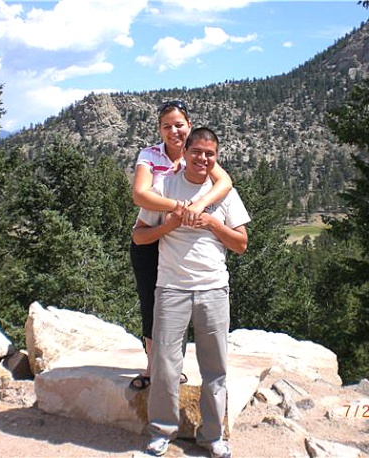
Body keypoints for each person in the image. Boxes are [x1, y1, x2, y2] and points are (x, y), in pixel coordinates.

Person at [133, 127, 249, 458]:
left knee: (216, 367)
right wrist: (168, 225)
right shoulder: (164, 187)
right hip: (171, 289)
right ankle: (160, 432)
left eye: (209, 154)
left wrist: (213, 223)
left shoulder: (224, 193)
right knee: (166, 364)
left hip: (214, 290)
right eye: (196, 151)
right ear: (185, 152)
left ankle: (213, 436)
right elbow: (139, 236)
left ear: (216, 158)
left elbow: (241, 244)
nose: (202, 158)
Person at [129, 100, 232, 391]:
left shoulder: (196, 154)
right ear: (160, 130)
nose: (173, 130)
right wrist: (179, 207)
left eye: (179, 124)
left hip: (185, 239)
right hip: (152, 235)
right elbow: (140, 194)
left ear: (188, 124)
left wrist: (198, 206)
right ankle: (154, 367)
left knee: (184, 300)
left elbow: (225, 183)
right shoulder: (149, 155)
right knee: (152, 302)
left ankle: (174, 365)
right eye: (166, 126)